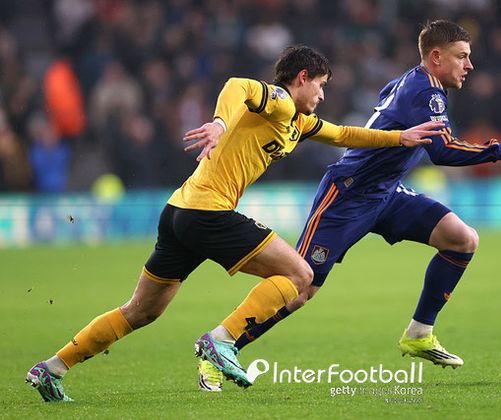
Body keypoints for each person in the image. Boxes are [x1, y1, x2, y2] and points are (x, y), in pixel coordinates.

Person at [24, 45, 443, 402]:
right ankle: (221, 341)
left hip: (179, 212)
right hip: (209, 211)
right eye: (321, 84)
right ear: (302, 77)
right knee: (300, 274)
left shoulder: (297, 123)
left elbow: (344, 135)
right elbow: (236, 86)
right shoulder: (279, 100)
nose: (322, 93)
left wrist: (399, 138)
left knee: (140, 311)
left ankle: (53, 368)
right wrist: (221, 123)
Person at [197, 20, 501, 391]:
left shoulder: (415, 84)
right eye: (462, 57)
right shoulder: (427, 92)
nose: (469, 65)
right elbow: (442, 152)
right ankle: (222, 347)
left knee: (462, 239)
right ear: (436, 57)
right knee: (301, 288)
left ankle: (419, 333)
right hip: (348, 195)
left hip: (386, 192)